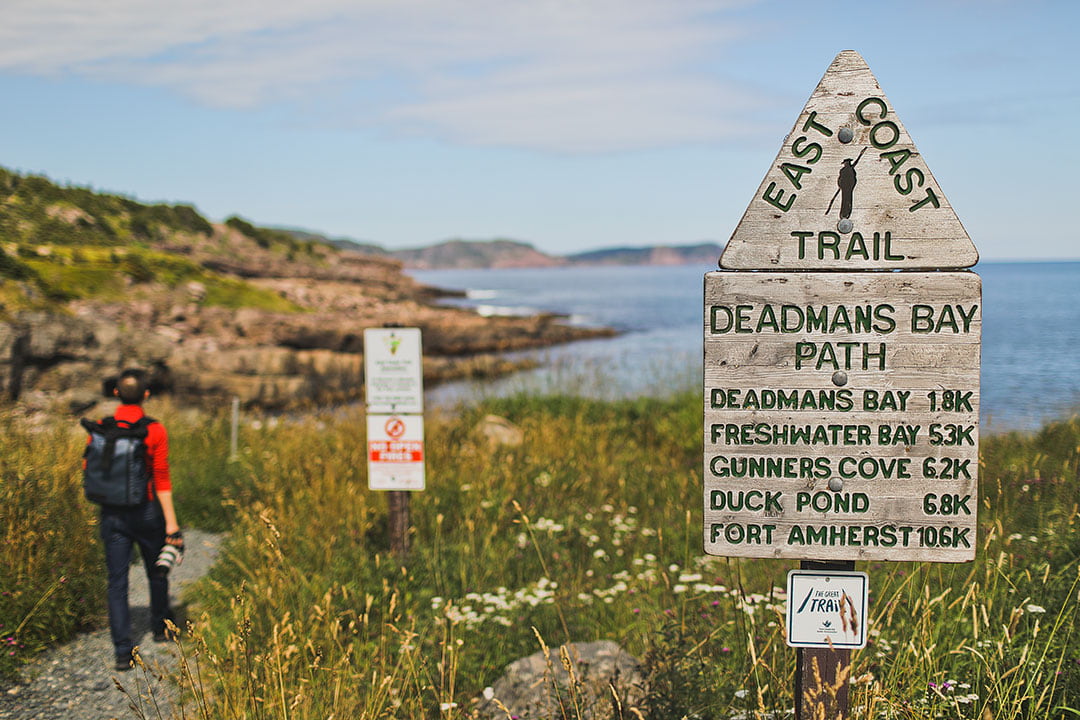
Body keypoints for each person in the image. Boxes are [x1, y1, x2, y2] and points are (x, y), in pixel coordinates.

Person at [93, 368, 183, 671]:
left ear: (116, 393)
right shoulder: (154, 429)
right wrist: (171, 523)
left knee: (117, 583)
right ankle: (159, 627)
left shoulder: (103, 427)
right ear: (147, 395)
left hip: (112, 513)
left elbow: (90, 468)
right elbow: (161, 477)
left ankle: (122, 651)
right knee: (157, 571)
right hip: (146, 511)